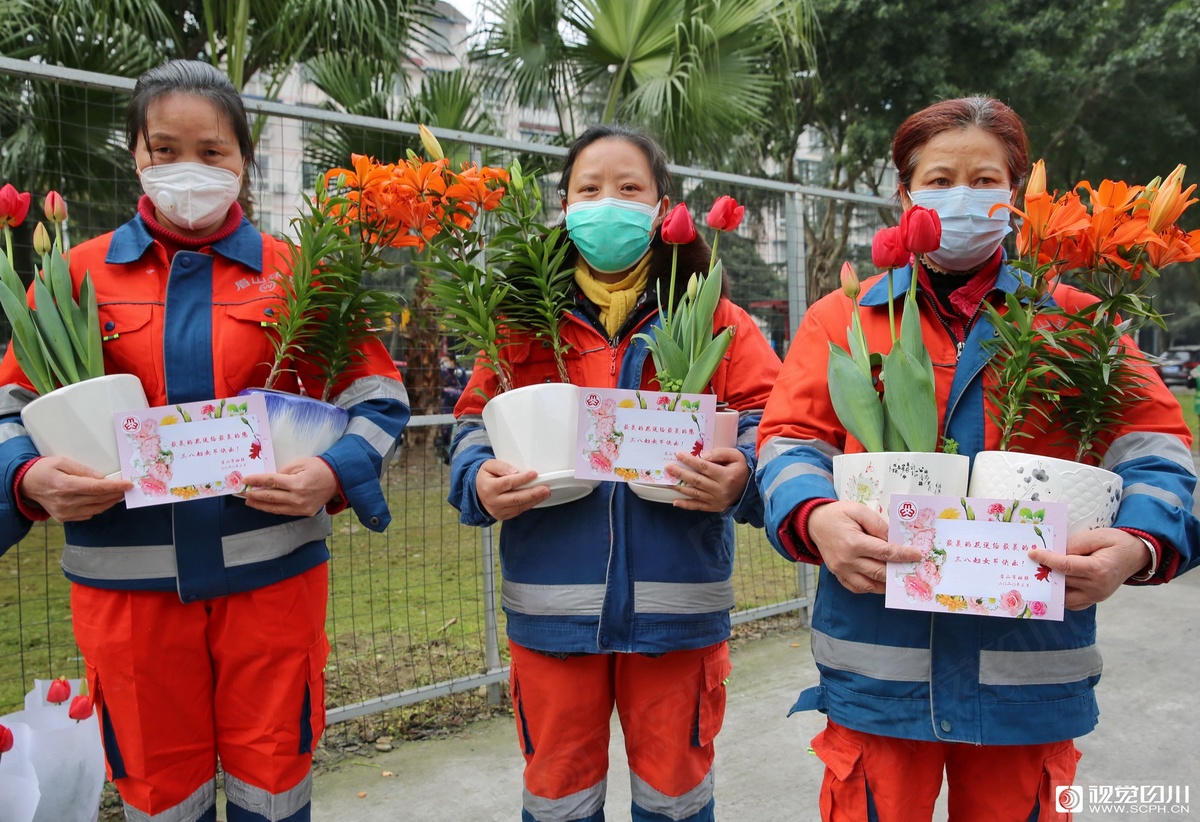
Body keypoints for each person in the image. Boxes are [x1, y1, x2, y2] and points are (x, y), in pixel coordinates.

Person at [755, 96, 1198, 821]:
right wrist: (817, 516)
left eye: (985, 179)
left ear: (1016, 195)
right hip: (879, 668)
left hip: (1026, 674)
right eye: (937, 179)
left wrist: (1136, 545)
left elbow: (1158, 451)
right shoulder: (844, 316)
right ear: (904, 196)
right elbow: (789, 441)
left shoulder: (1077, 320)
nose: (961, 196)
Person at [0, 61, 409, 821]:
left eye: (212, 150)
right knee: (160, 793)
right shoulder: (72, 277)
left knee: (274, 784)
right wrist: (26, 479)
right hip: (128, 599)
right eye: (164, 148)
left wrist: (331, 471)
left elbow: (377, 399)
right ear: (136, 154)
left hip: (272, 584)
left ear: (244, 160)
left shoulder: (301, 275)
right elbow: (10, 409)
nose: (188, 167)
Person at [448, 124, 782, 822]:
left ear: (663, 209)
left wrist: (742, 472)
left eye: (629, 188)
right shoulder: (521, 320)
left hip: (677, 611)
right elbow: (472, 422)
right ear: (563, 207)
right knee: (559, 792)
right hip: (552, 609)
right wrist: (478, 480)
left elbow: (772, 419)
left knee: (675, 792)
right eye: (588, 189)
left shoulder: (715, 316)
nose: (608, 203)